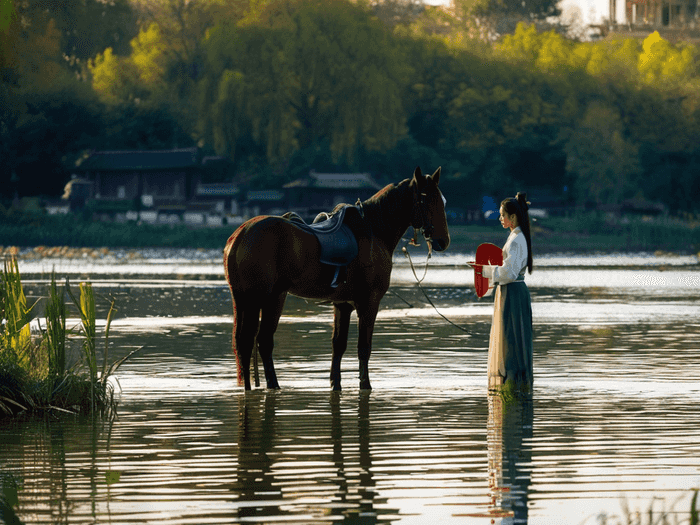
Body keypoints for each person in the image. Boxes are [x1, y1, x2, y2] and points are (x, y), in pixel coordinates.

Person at [478, 193, 534, 392]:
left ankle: (513, 384)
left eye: (503, 215)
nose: (500, 218)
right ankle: (512, 385)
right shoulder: (515, 237)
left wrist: (484, 271)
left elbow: (509, 273)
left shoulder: (518, 239)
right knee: (509, 338)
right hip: (510, 291)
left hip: (513, 292)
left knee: (511, 338)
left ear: (513, 217)